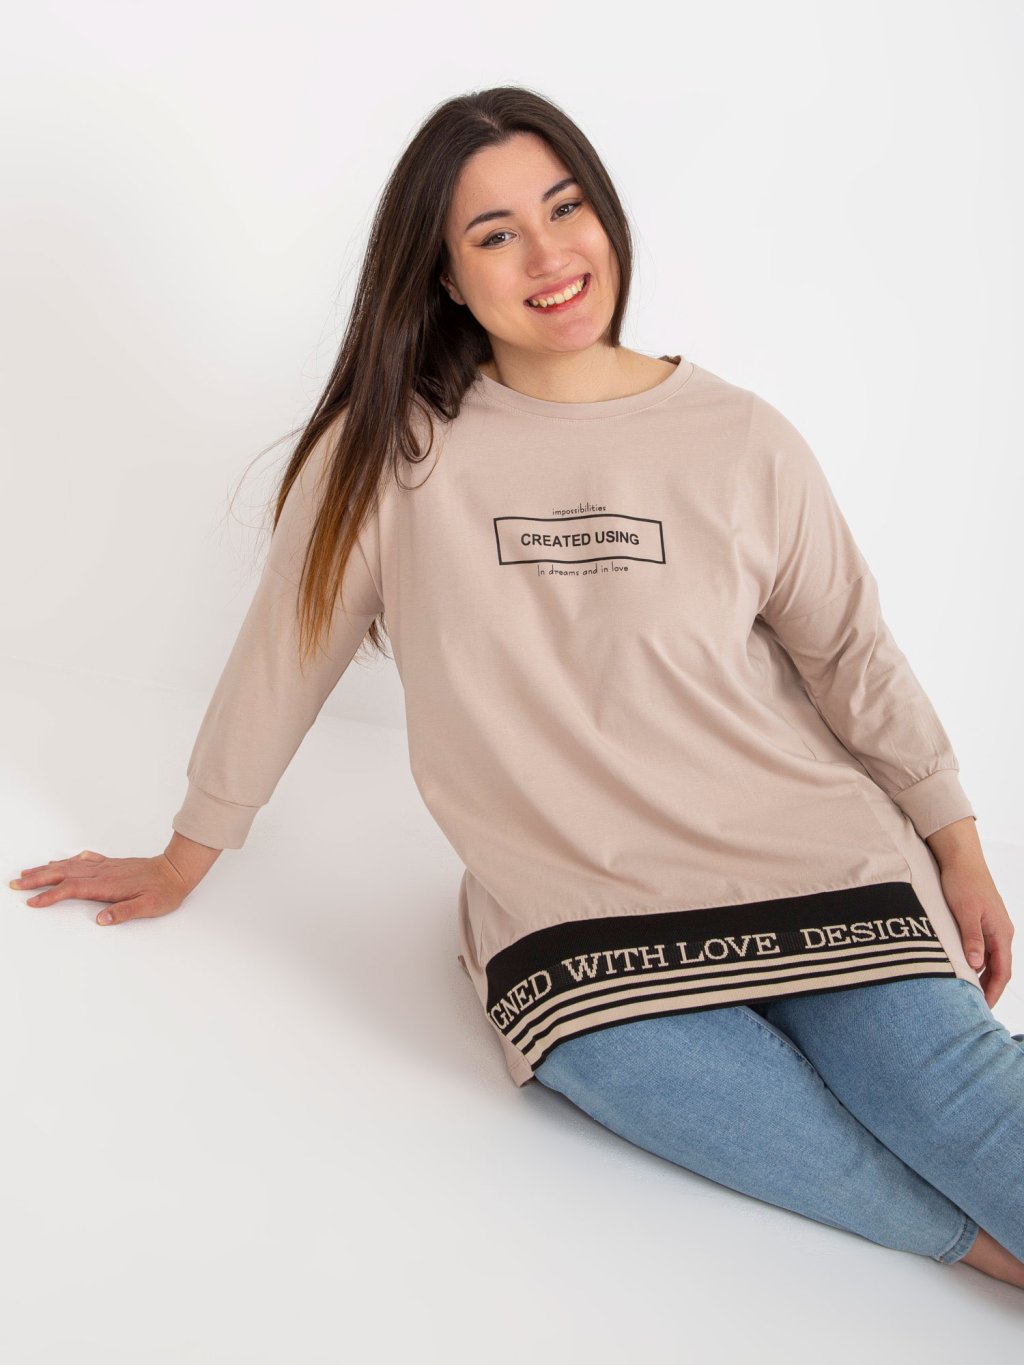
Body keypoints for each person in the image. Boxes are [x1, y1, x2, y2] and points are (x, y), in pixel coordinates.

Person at [9, 85, 1024, 1287]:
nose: (548, 256)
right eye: (495, 235)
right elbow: (283, 656)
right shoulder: (389, 454)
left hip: (815, 859)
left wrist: (957, 845)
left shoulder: (741, 436)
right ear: (443, 275)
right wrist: (188, 854)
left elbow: (850, 652)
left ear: (606, 218)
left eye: (565, 209)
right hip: (574, 903)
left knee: (946, 1100)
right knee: (666, 1086)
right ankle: (982, 1255)